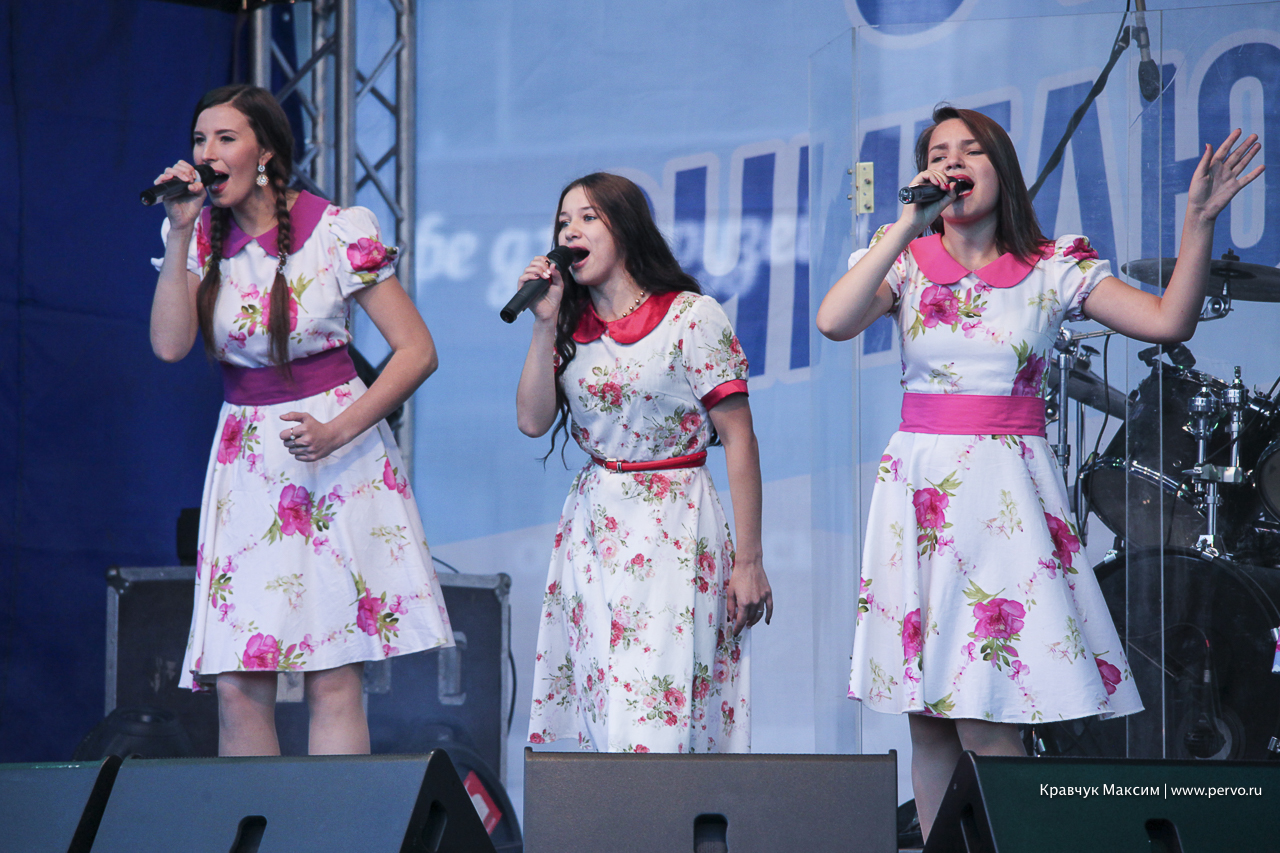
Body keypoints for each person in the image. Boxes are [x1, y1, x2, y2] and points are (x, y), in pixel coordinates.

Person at [816, 105, 1262, 840]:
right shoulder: (904, 261)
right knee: (929, 719)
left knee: (989, 716)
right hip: (921, 495)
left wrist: (1199, 223)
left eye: (970, 150)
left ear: (1002, 169)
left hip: (1003, 497)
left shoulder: (1052, 266)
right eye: (937, 152)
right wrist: (905, 224)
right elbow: (834, 321)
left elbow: (1166, 322)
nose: (951, 162)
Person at [149, 85, 453, 756]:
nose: (207, 153)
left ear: (265, 153)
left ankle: (333, 818)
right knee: (238, 683)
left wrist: (336, 431)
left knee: (332, 676)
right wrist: (180, 232)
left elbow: (417, 351)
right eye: (199, 139)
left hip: (335, 455)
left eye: (226, 138)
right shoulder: (197, 234)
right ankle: (255, 817)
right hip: (247, 461)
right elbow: (169, 345)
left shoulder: (337, 229)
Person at [515, 173, 773, 753]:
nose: (570, 231)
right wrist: (544, 324)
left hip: (675, 523)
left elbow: (740, 439)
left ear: (627, 230)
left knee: (659, 708)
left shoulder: (691, 316)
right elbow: (532, 420)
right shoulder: (568, 326)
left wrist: (750, 561)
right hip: (595, 529)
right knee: (607, 712)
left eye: (588, 218)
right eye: (563, 222)